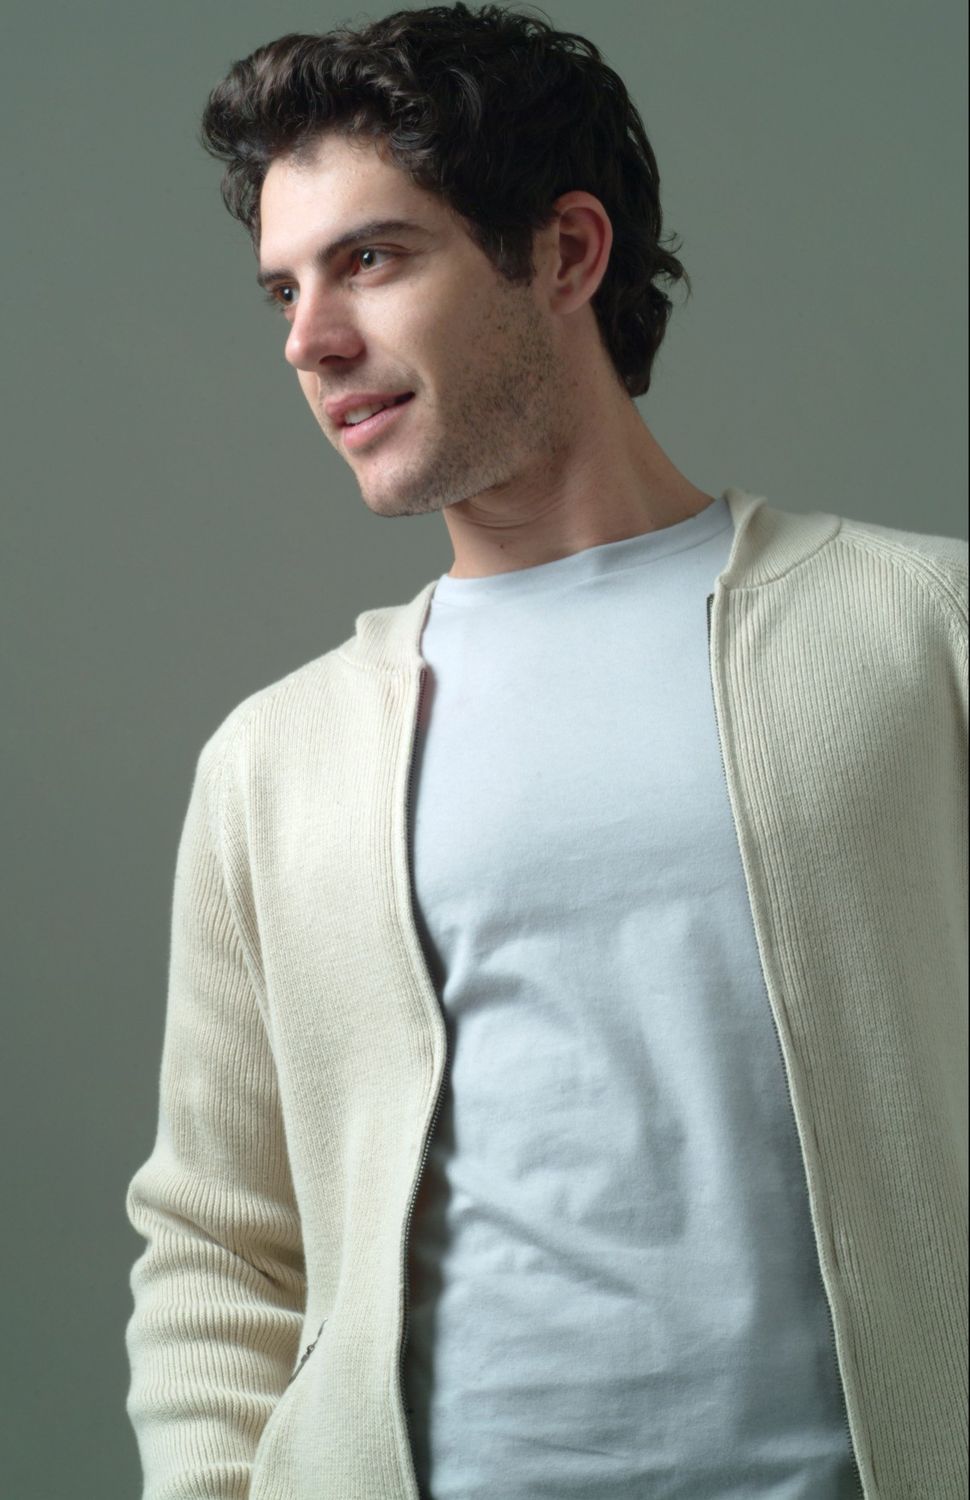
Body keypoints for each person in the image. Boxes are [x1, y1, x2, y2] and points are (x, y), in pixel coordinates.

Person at [123, 6, 968, 1498]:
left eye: (372, 259)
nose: (311, 340)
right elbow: (217, 1239)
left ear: (566, 253)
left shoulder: (921, 633)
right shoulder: (276, 762)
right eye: (284, 289)